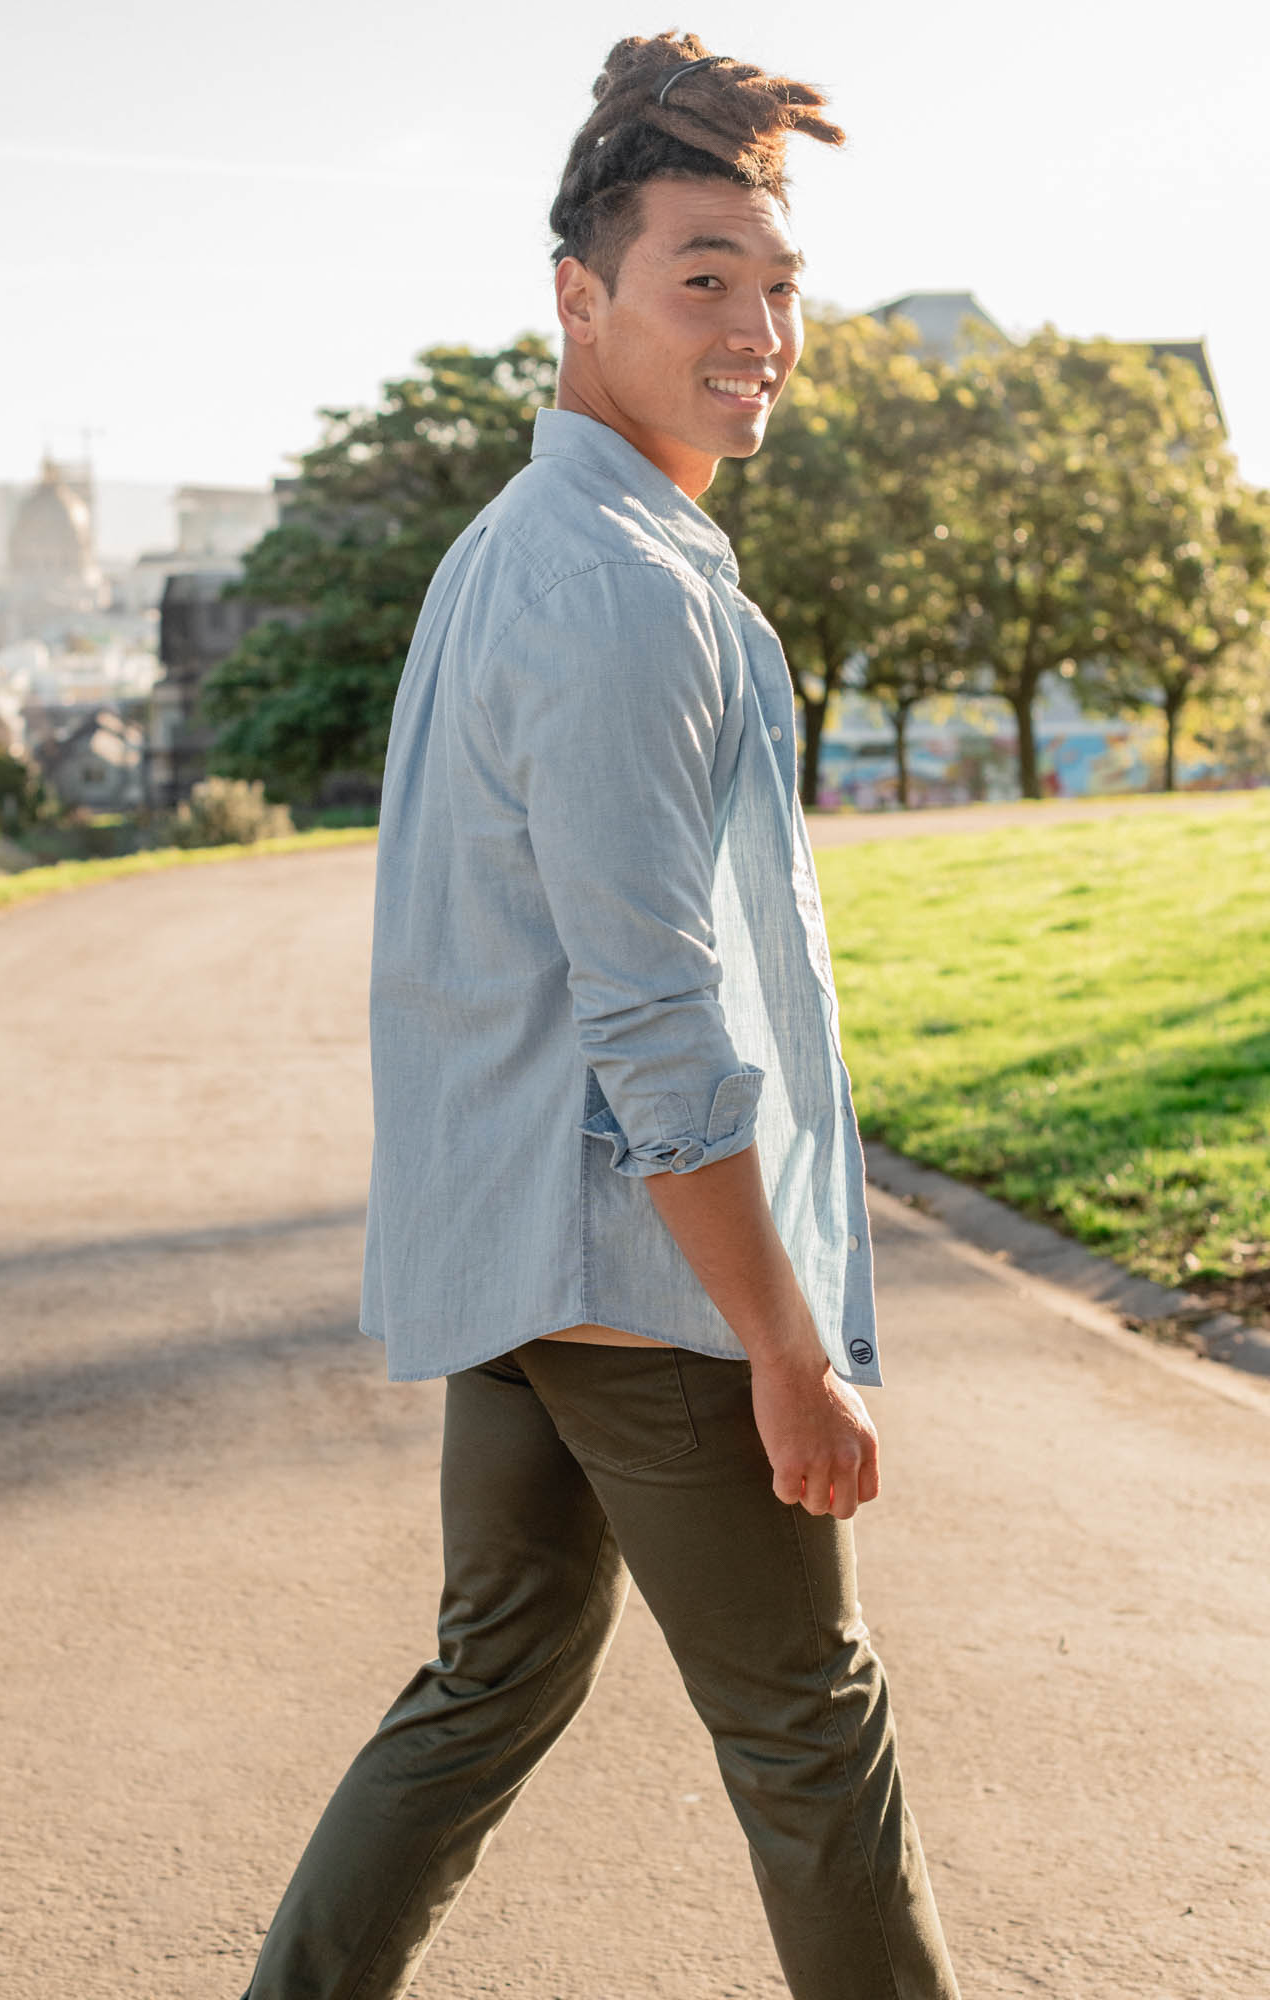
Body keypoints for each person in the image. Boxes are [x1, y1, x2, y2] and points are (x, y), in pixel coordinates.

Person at [239, 30, 961, 2000]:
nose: (755, 329)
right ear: (580, 299)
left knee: (487, 1683)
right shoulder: (615, 592)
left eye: (775, 285)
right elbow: (658, 1015)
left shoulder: (539, 550)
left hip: (523, 1256)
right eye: (698, 280)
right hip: (639, 1275)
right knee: (811, 1728)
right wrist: (784, 1347)